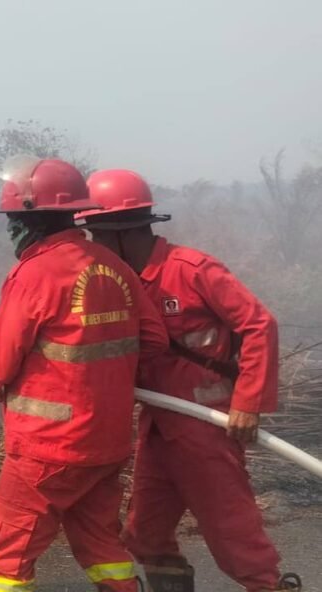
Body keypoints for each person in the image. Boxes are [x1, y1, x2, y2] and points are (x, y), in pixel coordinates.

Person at [77, 169, 302, 592]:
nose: (94, 246)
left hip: (206, 425)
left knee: (235, 538)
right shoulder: (117, 284)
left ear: (124, 232)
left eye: (97, 235)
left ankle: (269, 587)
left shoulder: (193, 270)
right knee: (145, 535)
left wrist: (247, 403)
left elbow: (259, 325)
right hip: (159, 426)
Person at [0, 156, 168, 591]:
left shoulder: (33, 273)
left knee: (7, 554)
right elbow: (154, 341)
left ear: (31, 220)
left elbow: (0, 363)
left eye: (14, 219)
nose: (11, 228)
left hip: (48, 448)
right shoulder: (113, 266)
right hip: (106, 443)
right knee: (102, 547)